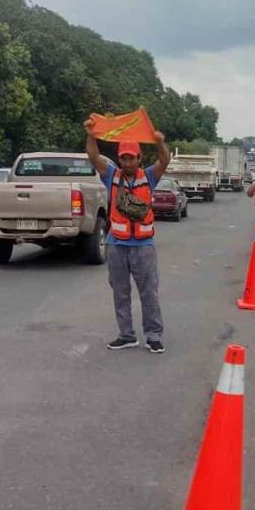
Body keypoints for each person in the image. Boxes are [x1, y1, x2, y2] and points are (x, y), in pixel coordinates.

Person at [83, 119, 172, 353]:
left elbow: (165, 160)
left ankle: (153, 335)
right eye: (124, 157)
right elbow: (94, 157)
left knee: (149, 292)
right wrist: (91, 135)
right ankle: (126, 335)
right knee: (120, 292)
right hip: (117, 245)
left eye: (132, 157)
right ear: (120, 159)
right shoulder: (111, 175)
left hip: (143, 246)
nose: (128, 161)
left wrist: (160, 142)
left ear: (139, 158)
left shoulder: (149, 176)